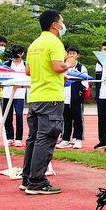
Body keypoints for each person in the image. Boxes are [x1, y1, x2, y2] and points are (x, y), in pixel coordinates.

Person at [21, 10, 77, 195]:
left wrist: (58, 77)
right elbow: (57, 66)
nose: (64, 25)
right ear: (55, 25)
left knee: (33, 138)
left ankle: (27, 178)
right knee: (46, 138)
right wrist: (69, 63)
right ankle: (37, 182)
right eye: (62, 22)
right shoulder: (54, 42)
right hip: (51, 98)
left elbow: (29, 71)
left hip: (36, 96)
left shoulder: (34, 44)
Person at [57, 46, 88, 150]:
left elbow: (86, 81)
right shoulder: (63, 66)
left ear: (77, 55)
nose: (71, 55)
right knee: (66, 119)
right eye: (69, 53)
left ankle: (78, 139)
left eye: (73, 53)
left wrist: (81, 91)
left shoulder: (81, 67)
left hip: (76, 97)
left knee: (78, 118)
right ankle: (65, 139)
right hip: (64, 96)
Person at [2, 44, 26, 147]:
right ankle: (9, 137)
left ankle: (19, 138)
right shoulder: (7, 63)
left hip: (20, 94)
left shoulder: (25, 65)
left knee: (19, 115)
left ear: (22, 54)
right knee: (7, 115)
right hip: (7, 93)